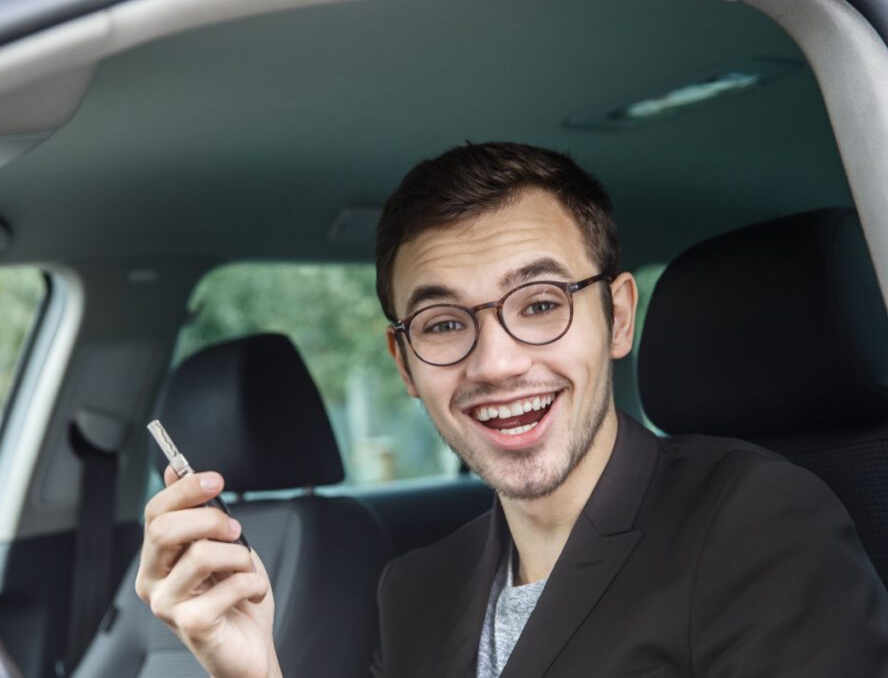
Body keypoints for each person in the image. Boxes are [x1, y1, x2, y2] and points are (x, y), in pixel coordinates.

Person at [135, 142, 888, 677]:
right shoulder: (415, 587)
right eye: (443, 324)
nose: (495, 364)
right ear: (404, 363)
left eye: (540, 304)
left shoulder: (757, 520)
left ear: (618, 318)